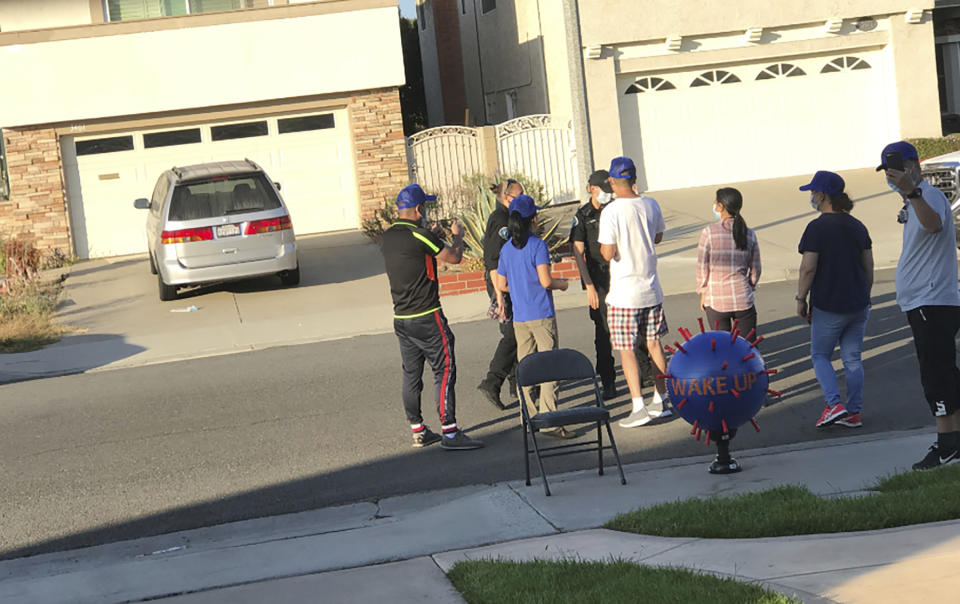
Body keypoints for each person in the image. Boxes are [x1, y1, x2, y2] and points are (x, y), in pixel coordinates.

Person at [380, 184, 483, 450]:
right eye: (424, 207)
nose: (426, 212)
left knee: (411, 373)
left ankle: (418, 429)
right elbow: (454, 257)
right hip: (428, 315)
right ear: (418, 209)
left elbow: (415, 252)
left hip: (401, 317)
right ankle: (449, 431)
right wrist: (456, 236)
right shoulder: (420, 235)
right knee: (445, 368)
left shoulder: (389, 236)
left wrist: (432, 235)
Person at [879, 141, 960, 469]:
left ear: (914, 166)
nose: (891, 176)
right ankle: (954, 442)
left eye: (896, 169)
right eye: (887, 171)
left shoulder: (928, 196)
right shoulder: (913, 201)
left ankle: (946, 447)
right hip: (923, 302)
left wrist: (912, 191)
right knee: (945, 373)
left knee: (936, 377)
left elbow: (934, 224)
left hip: (932, 302)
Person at [795, 171, 874, 429]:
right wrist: (865, 292)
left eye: (813, 192)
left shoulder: (817, 227)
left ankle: (833, 404)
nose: (811, 196)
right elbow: (868, 265)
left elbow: (808, 268)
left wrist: (801, 298)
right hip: (858, 302)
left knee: (820, 355)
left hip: (829, 303)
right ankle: (853, 411)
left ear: (823, 195)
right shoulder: (857, 225)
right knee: (852, 359)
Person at [597, 157, 672, 427]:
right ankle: (661, 399)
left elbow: (607, 252)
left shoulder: (611, 212)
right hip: (651, 287)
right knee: (654, 344)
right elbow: (658, 236)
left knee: (626, 349)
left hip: (624, 293)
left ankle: (638, 405)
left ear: (614, 182)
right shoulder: (651, 204)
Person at [494, 194, 573, 438]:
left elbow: (501, 282)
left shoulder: (507, 249)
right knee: (550, 367)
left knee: (526, 367)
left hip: (520, 317)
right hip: (541, 313)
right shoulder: (538, 245)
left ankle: (526, 416)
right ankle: (549, 419)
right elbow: (545, 280)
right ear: (533, 219)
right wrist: (563, 284)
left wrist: (518, 287)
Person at [477, 178, 525, 410]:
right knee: (512, 333)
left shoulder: (509, 217)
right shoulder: (500, 220)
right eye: (520, 194)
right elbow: (493, 260)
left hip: (510, 282)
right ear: (508, 198)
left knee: (517, 330)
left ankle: (518, 385)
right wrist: (499, 297)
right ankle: (492, 382)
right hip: (500, 283)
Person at [697, 187, 762, 336]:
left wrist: (703, 292)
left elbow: (702, 268)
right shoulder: (749, 233)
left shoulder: (709, 232)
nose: (714, 204)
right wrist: (749, 286)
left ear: (721, 206)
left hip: (716, 301)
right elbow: (755, 269)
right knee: (747, 347)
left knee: (723, 347)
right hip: (742, 299)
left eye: (716, 201)